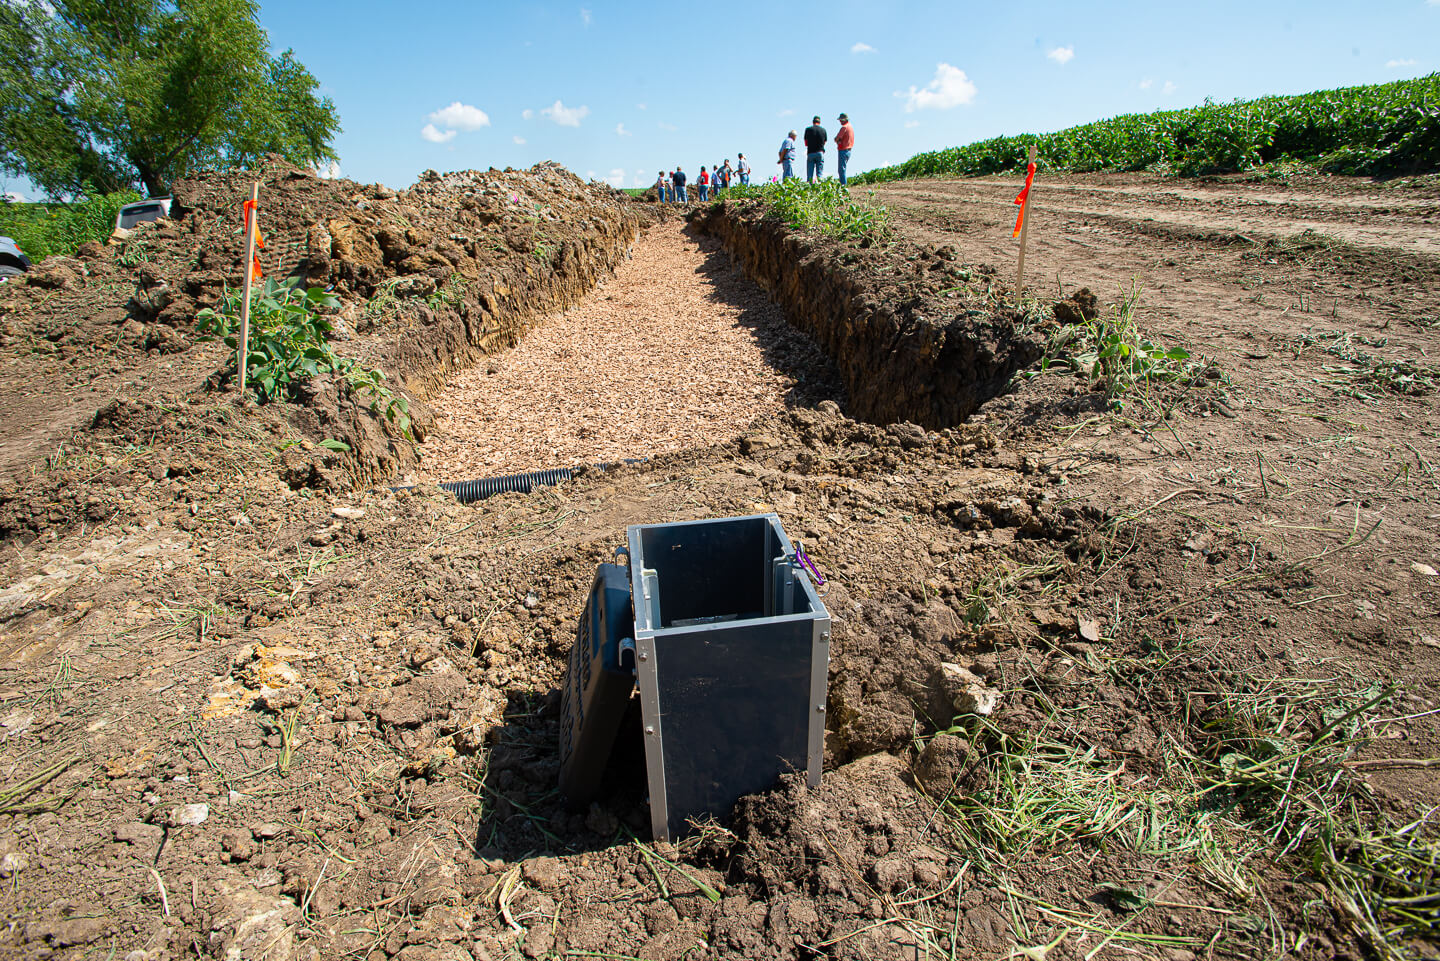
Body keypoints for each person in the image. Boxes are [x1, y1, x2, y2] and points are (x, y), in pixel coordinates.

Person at [804, 115, 827, 182]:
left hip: (810, 152)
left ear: (813, 122)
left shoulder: (808, 129)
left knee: (810, 174)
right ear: (819, 122)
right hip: (820, 152)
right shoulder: (823, 130)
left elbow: (806, 143)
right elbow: (825, 142)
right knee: (819, 174)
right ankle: (819, 188)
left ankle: (809, 189)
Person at [835, 113, 855, 186]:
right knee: (843, 168)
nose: (840, 122)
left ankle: (843, 186)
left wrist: (836, 140)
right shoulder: (850, 127)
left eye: (841, 120)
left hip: (843, 150)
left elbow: (837, 138)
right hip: (849, 150)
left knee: (841, 170)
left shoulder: (844, 127)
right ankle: (844, 185)